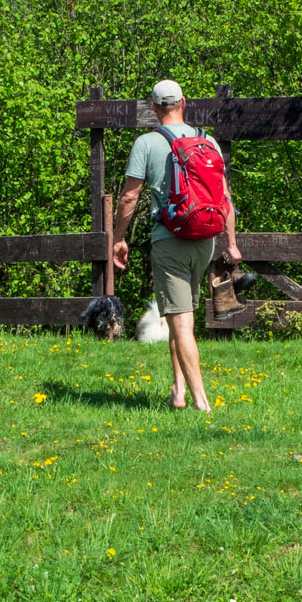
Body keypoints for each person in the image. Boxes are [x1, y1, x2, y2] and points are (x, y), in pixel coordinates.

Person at [111, 79, 241, 412]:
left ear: (154, 108)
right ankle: (178, 393)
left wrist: (118, 238)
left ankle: (201, 403)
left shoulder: (146, 143)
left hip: (171, 240)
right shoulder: (207, 139)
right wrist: (232, 243)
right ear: (184, 102)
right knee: (179, 318)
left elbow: (128, 197)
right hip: (205, 242)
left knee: (181, 322)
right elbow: (224, 197)